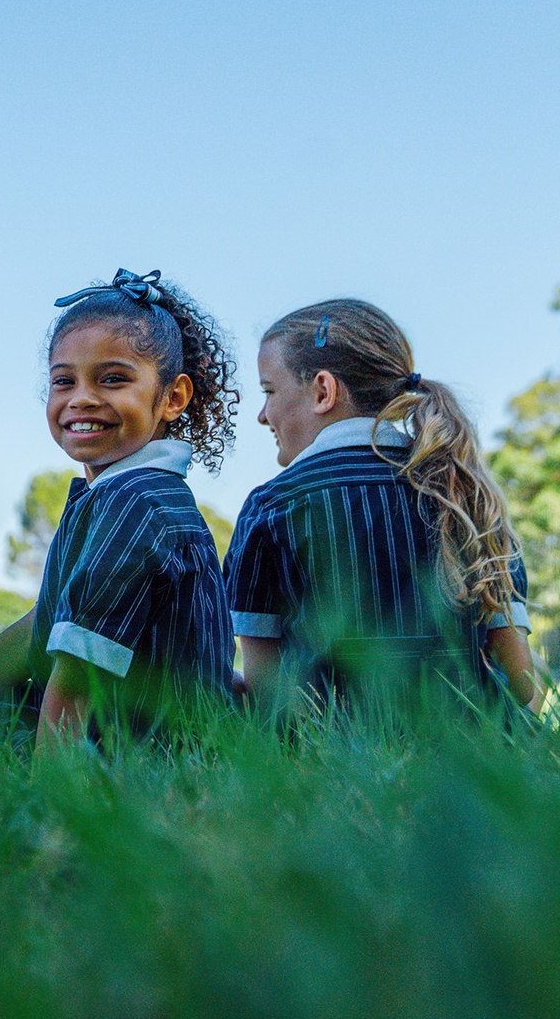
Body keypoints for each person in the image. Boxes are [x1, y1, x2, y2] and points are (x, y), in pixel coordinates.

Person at [0, 269, 238, 751]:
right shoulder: (115, 492)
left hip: (132, 749)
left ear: (173, 397)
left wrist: (57, 808)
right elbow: (41, 625)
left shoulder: (137, 501)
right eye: (63, 381)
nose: (82, 399)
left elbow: (76, 684)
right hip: (117, 729)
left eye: (113, 379)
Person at [228, 298, 542, 715]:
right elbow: (522, 686)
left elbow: (269, 697)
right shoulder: (464, 495)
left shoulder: (271, 506)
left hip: (333, 771)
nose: (263, 416)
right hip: (471, 765)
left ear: (323, 391)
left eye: (269, 391)